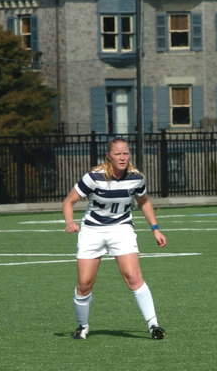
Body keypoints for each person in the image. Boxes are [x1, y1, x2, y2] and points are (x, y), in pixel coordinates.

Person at [62, 137, 167, 340]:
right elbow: (69, 201)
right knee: (84, 283)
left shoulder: (136, 177)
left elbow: (144, 202)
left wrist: (155, 229)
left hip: (121, 229)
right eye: (117, 154)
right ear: (108, 156)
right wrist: (69, 221)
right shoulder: (94, 176)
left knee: (133, 277)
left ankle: (154, 325)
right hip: (92, 230)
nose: (122, 157)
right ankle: (82, 326)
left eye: (125, 153)